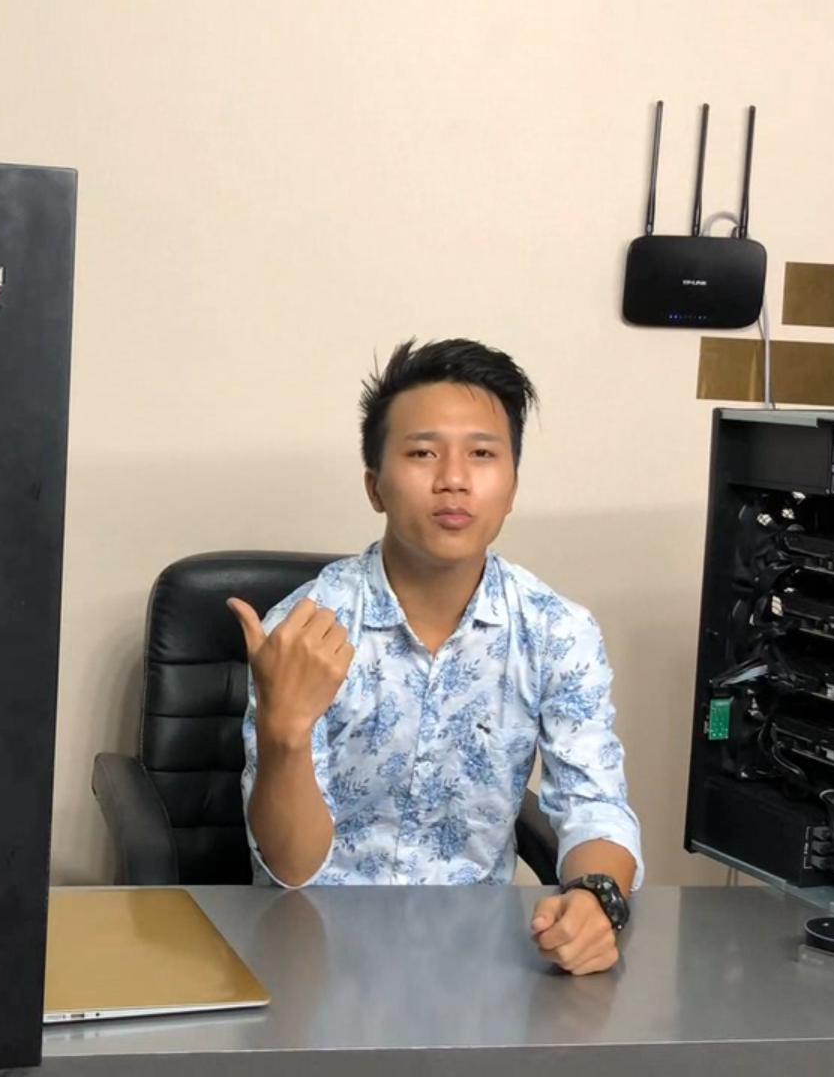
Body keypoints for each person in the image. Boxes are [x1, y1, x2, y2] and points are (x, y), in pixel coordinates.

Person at [229, 338, 643, 976]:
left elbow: (595, 803)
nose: (453, 479)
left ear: (511, 487)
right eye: (423, 453)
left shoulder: (556, 630)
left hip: (474, 963)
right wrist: (284, 732)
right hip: (313, 954)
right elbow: (291, 868)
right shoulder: (307, 629)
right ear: (375, 486)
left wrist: (595, 897)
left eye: (482, 454)